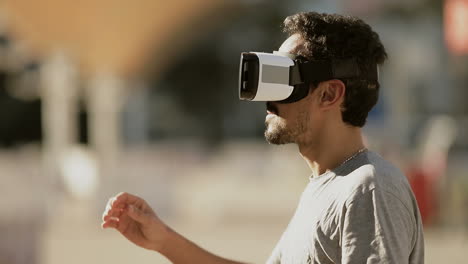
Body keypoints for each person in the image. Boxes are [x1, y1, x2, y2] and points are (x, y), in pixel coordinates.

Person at [101, 12, 424, 264]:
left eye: (283, 80)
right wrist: (164, 240)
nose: (266, 100)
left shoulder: (367, 188)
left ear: (328, 94)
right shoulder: (329, 186)